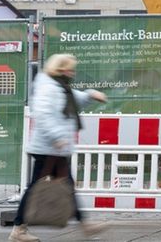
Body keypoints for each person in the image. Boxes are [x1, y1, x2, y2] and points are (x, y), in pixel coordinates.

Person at [10, 54, 107, 242]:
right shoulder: (49, 87)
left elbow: (73, 98)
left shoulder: (59, 86)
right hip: (48, 147)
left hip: (55, 148)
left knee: (65, 186)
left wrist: (90, 95)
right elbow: (43, 114)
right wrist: (57, 137)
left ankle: (84, 224)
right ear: (60, 69)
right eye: (70, 68)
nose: (73, 72)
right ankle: (19, 230)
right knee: (39, 188)